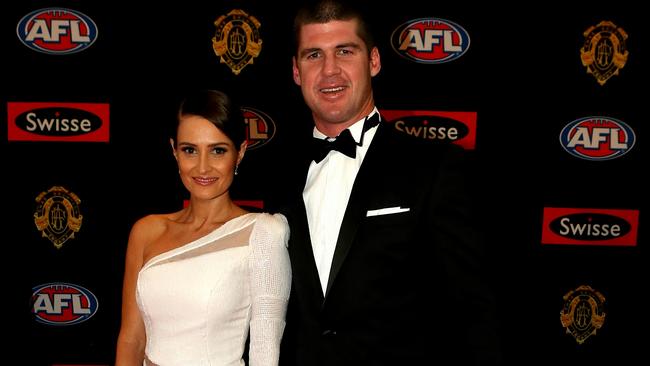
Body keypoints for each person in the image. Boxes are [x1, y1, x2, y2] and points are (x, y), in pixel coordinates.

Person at [278, 1, 502, 365]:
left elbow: (475, 309)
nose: (329, 71)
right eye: (313, 55)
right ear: (296, 71)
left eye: (345, 52)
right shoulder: (278, 174)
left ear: (374, 61)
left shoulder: (435, 166)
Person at [115, 90, 291, 365]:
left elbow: (265, 351)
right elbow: (131, 339)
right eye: (190, 150)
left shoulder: (262, 233)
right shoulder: (146, 231)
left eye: (217, 150)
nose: (202, 167)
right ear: (174, 151)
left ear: (240, 153)